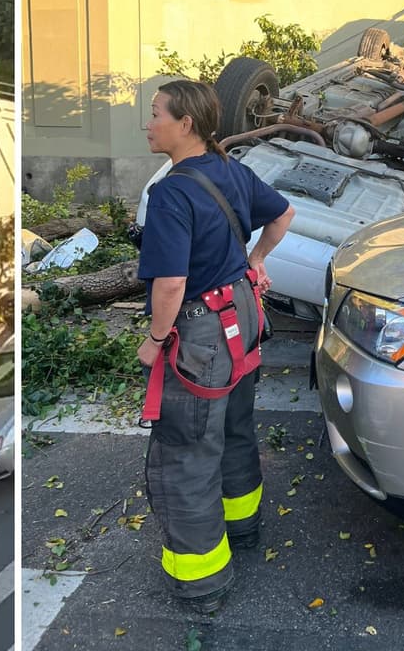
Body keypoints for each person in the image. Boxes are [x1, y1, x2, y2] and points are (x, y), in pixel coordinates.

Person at [136, 78, 295, 613]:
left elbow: (171, 284)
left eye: (156, 113)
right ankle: (242, 527)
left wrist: (156, 341)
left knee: (185, 450)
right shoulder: (231, 169)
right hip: (243, 316)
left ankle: (201, 580)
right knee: (233, 426)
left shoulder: (171, 193)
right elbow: (283, 216)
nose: (148, 122)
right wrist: (255, 262)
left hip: (201, 329)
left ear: (185, 124)